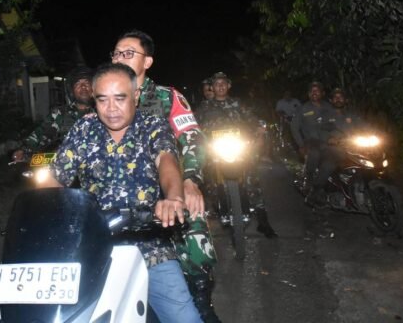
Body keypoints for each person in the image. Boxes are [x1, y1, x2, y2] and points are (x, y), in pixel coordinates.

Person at [42, 63, 203, 322]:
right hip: (93, 249)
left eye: (120, 98)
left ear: (135, 96)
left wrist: (173, 198)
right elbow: (54, 178)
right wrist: (42, 212)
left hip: (150, 249)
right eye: (102, 100)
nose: (111, 108)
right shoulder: (83, 130)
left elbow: (167, 161)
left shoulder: (153, 125)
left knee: (185, 318)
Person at [111, 29, 218, 321]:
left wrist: (190, 180)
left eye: (128, 53)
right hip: (123, 196)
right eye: (116, 53)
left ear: (147, 62)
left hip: (170, 190)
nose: (120, 58)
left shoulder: (167, 97)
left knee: (195, 237)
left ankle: (201, 302)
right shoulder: (108, 99)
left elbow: (192, 138)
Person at [195, 72, 278, 238]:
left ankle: (263, 221)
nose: (220, 86)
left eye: (223, 83)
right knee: (207, 179)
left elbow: (252, 119)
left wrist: (259, 129)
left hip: (238, 147)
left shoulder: (238, 104)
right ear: (212, 87)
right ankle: (215, 210)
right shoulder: (205, 107)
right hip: (214, 149)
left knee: (251, 179)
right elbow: (193, 124)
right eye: (216, 84)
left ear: (228, 85)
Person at [12, 65, 94, 162]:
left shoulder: (103, 111)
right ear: (72, 91)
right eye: (78, 84)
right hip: (67, 164)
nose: (83, 87)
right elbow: (42, 132)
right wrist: (24, 149)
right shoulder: (61, 113)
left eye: (87, 83)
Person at [314, 88, 366, 197]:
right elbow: (319, 129)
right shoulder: (326, 115)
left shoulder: (351, 115)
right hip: (332, 147)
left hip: (354, 147)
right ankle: (315, 191)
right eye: (335, 97)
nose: (338, 99)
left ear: (346, 100)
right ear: (331, 100)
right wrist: (328, 138)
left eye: (341, 97)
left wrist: (376, 134)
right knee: (329, 164)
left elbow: (363, 126)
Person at [290, 81, 335, 207]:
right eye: (311, 91)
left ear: (322, 93)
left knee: (333, 162)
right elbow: (294, 127)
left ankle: (321, 187)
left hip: (328, 141)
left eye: (317, 91)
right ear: (309, 94)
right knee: (314, 154)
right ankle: (308, 179)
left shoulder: (329, 107)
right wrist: (301, 145)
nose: (314, 93)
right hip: (311, 141)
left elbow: (336, 122)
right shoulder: (303, 108)